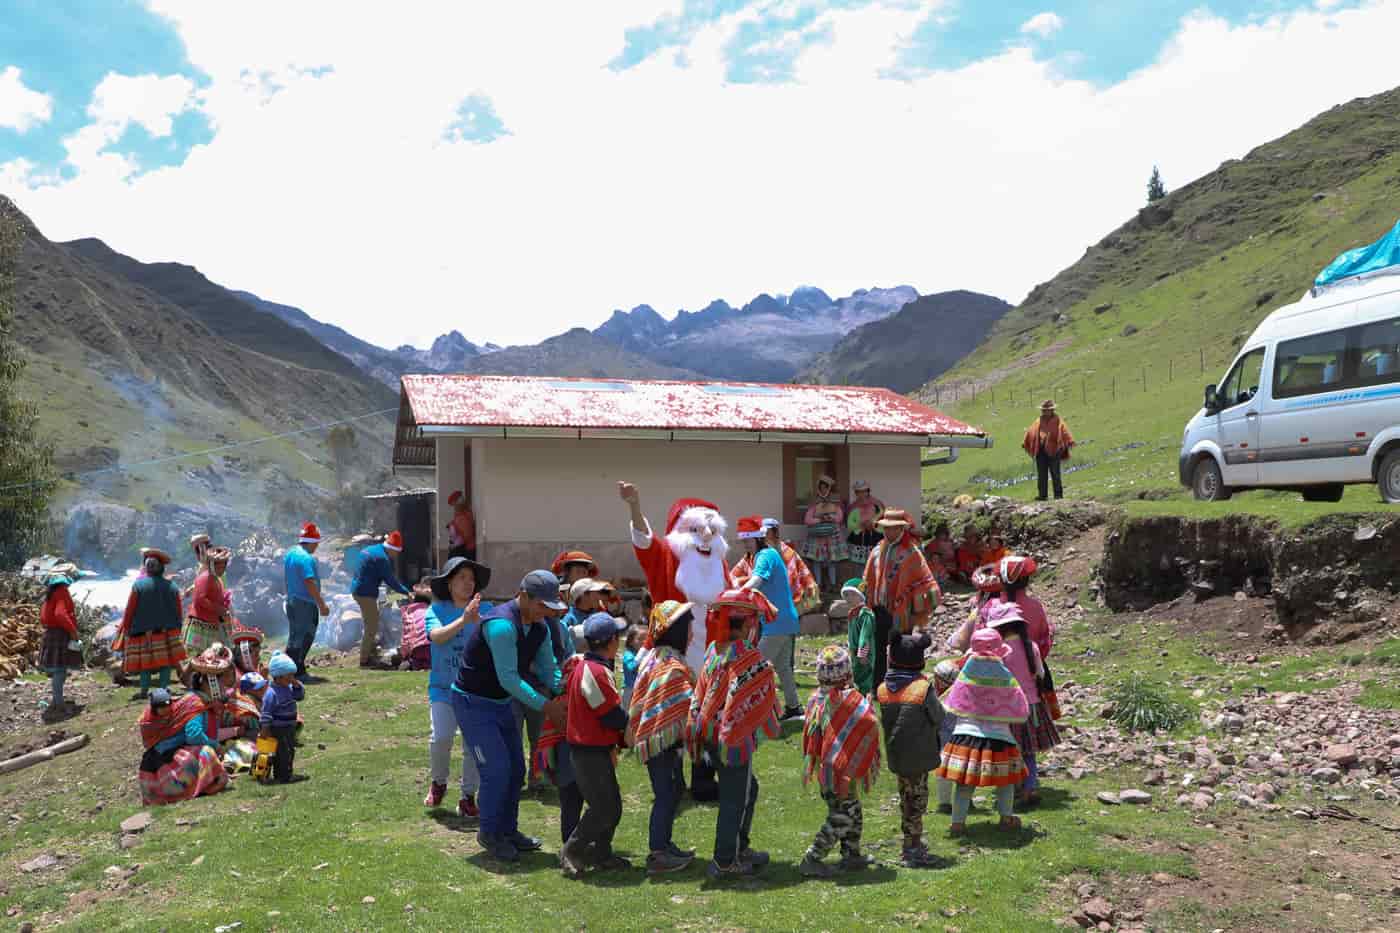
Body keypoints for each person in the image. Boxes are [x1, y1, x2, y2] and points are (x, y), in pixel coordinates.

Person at [620, 480, 732, 799]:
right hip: (672, 656)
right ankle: (671, 779)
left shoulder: (719, 564)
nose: (706, 538)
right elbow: (644, 541)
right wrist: (634, 505)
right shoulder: (667, 556)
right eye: (697, 530)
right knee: (671, 716)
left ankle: (704, 776)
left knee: (708, 715)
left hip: (712, 653)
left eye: (711, 531)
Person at [451, 570, 568, 862]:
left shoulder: (540, 628)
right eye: (542, 605)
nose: (546, 612)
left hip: (501, 703)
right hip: (473, 703)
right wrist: (547, 706)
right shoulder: (502, 626)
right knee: (496, 770)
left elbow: (546, 668)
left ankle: (508, 830)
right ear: (524, 596)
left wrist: (565, 688)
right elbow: (509, 679)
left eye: (550, 607)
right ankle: (489, 834)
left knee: (516, 769)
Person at [688, 588, 780, 879]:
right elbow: (749, 692)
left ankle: (740, 847)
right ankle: (726, 860)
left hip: (711, 733)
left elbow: (704, 694)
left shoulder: (714, 652)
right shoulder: (748, 657)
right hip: (732, 740)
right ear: (747, 623)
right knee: (735, 797)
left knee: (747, 790)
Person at [558, 612, 633, 877]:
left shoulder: (592, 667)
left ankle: (601, 854)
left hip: (594, 748)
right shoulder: (596, 671)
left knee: (612, 806)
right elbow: (610, 714)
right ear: (611, 641)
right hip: (587, 749)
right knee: (603, 807)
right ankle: (572, 851)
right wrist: (631, 726)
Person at [627, 600, 698, 875]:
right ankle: (658, 853)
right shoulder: (669, 666)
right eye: (689, 626)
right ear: (677, 631)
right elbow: (681, 703)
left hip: (662, 740)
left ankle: (665, 845)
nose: (692, 632)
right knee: (666, 794)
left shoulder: (662, 657)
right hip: (660, 743)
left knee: (673, 790)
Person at [935, 628, 1029, 835]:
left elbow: (950, 701)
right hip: (999, 737)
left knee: (963, 783)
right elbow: (1020, 705)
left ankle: (957, 823)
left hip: (964, 736)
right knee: (1006, 781)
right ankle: (1006, 818)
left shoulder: (966, 674)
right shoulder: (1005, 676)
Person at [797, 645, 880, 878]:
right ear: (847, 673)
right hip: (842, 770)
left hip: (827, 770)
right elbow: (868, 722)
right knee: (843, 816)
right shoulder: (849, 700)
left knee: (851, 811)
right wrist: (868, 705)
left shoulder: (816, 698)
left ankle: (851, 854)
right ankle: (812, 857)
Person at [423, 556, 491, 818]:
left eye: (471, 579)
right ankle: (439, 782)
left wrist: (477, 621)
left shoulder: (483, 613)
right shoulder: (436, 611)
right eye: (461, 577)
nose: (467, 583)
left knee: (473, 745)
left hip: (474, 691)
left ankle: (467, 797)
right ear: (449, 583)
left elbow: (492, 644)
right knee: (441, 738)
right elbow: (437, 638)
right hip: (443, 689)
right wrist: (464, 620)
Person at [877, 632, 946, 868]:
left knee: (905, 796)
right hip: (919, 755)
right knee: (917, 800)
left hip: (896, 754)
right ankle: (913, 847)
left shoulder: (883, 689)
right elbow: (938, 716)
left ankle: (909, 839)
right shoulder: (922, 688)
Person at [982, 602, 1058, 808]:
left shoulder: (1001, 651)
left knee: (1010, 751)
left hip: (1008, 710)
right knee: (1029, 750)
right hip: (1032, 706)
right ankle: (1030, 787)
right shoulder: (1031, 647)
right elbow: (1040, 674)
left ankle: (1014, 788)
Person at [860, 509, 938, 689]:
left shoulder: (912, 552)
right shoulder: (877, 550)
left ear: (902, 529)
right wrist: (866, 598)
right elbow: (868, 577)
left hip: (902, 611)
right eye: (887, 528)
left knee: (901, 649)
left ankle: (901, 685)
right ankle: (878, 687)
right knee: (878, 649)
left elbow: (923, 578)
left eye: (894, 528)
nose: (890, 532)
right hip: (879, 608)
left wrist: (919, 598)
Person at [739, 517, 804, 722]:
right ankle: (794, 708)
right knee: (783, 667)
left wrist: (738, 595)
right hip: (785, 621)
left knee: (754, 667)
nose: (746, 545)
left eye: (748, 541)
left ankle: (750, 713)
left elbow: (758, 579)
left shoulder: (765, 555)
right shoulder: (766, 554)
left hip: (777, 622)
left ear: (758, 538)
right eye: (744, 541)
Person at [137, 687, 229, 805]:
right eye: (162, 707)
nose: (166, 709)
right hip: (160, 760)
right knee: (206, 751)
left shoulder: (179, 712)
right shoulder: (150, 722)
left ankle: (204, 785)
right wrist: (215, 745)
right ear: (154, 709)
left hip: (174, 752)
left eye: (168, 705)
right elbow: (193, 736)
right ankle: (205, 785)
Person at [117, 548, 187, 699]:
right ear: (162, 568)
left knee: (145, 664)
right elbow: (178, 609)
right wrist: (178, 627)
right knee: (166, 662)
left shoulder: (138, 586)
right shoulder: (172, 587)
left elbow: (130, 609)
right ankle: (163, 688)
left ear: (146, 568)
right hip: (167, 631)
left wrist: (127, 628)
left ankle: (143, 691)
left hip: (143, 633)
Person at [731, 516, 820, 616]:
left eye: (768, 533)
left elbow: (789, 580)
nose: (765, 537)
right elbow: (734, 574)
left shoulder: (786, 553)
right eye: (763, 534)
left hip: (787, 596)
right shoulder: (752, 554)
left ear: (776, 534)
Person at [351, 530, 412, 668]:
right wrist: (407, 593)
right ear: (392, 549)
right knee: (371, 626)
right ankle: (365, 660)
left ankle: (370, 653)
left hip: (359, 590)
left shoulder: (371, 550)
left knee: (372, 622)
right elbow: (391, 581)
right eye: (396, 552)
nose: (396, 556)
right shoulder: (382, 559)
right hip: (365, 594)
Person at [283, 522, 330, 678]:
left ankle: (292, 669)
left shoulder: (291, 553)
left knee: (295, 635)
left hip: (292, 600)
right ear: (313, 543)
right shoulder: (306, 558)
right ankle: (294, 670)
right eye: (316, 544)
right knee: (304, 635)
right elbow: (309, 581)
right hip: (304, 603)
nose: (317, 547)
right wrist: (321, 604)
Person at [39, 564, 83, 717]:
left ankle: (56, 701)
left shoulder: (51, 592)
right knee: (60, 671)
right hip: (60, 634)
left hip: (51, 633)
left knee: (58, 670)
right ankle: (59, 703)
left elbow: (45, 615)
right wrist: (73, 632)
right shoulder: (62, 591)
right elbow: (60, 614)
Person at [261, 651, 308, 784]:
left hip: (289, 727)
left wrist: (297, 685)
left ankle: (282, 774)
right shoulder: (272, 693)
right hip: (278, 728)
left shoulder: (288, 688)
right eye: (289, 675)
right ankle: (284, 776)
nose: (292, 677)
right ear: (279, 675)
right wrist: (265, 728)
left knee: (289, 750)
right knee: (283, 753)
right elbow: (266, 713)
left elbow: (299, 696)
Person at [184, 546, 234, 658]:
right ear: (212, 565)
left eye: (224, 566)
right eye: (220, 567)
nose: (223, 570)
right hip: (203, 623)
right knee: (202, 655)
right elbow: (199, 599)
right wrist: (218, 609)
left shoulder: (216, 579)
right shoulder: (205, 578)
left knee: (211, 655)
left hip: (212, 622)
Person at [802, 474, 848, 593]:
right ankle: (819, 583)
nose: (824, 489)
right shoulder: (814, 502)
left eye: (826, 487)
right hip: (817, 537)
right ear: (818, 488)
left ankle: (832, 584)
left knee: (832, 561)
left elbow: (840, 517)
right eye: (821, 487)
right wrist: (820, 520)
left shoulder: (835, 501)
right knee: (817, 561)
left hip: (832, 537)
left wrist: (830, 517)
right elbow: (807, 519)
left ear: (829, 488)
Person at [1022, 399, 1075, 501]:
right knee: (1041, 474)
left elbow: (1064, 432)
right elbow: (1031, 431)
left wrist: (1069, 441)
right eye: (1044, 410)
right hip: (1040, 451)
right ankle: (1042, 495)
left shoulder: (1058, 420)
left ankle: (1058, 495)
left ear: (1052, 410)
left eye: (1048, 410)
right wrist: (1026, 442)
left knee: (1055, 473)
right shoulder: (1038, 421)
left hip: (1054, 451)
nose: (1045, 412)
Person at [932, 658, 962, 815]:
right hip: (960, 743)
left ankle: (945, 803)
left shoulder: (944, 702)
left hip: (949, 745)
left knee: (943, 773)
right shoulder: (962, 698)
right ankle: (964, 801)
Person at [840, 579, 875, 696]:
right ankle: (857, 702)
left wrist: (862, 653)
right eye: (846, 595)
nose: (848, 598)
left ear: (860, 596)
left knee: (863, 679)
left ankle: (863, 702)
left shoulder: (865, 614)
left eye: (851, 594)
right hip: (855, 653)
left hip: (863, 654)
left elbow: (865, 635)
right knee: (855, 676)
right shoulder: (854, 613)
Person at [845, 480, 884, 566]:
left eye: (864, 491)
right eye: (859, 492)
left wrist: (873, 524)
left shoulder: (877, 505)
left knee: (874, 562)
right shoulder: (853, 507)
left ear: (868, 491)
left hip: (874, 537)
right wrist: (860, 525)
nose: (862, 494)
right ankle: (860, 579)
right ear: (856, 493)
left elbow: (882, 520)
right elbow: (849, 524)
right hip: (858, 539)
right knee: (859, 565)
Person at [447, 491, 477, 560]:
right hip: (466, 548)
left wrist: (454, 545)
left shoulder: (462, 516)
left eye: (454, 504)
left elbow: (466, 535)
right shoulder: (462, 514)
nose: (454, 507)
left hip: (468, 549)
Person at [621, 624, 644, 710]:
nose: (643, 642)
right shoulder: (628, 655)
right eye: (640, 639)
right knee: (628, 712)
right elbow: (632, 668)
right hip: (630, 690)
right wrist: (642, 655)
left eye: (645, 639)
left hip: (641, 689)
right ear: (630, 641)